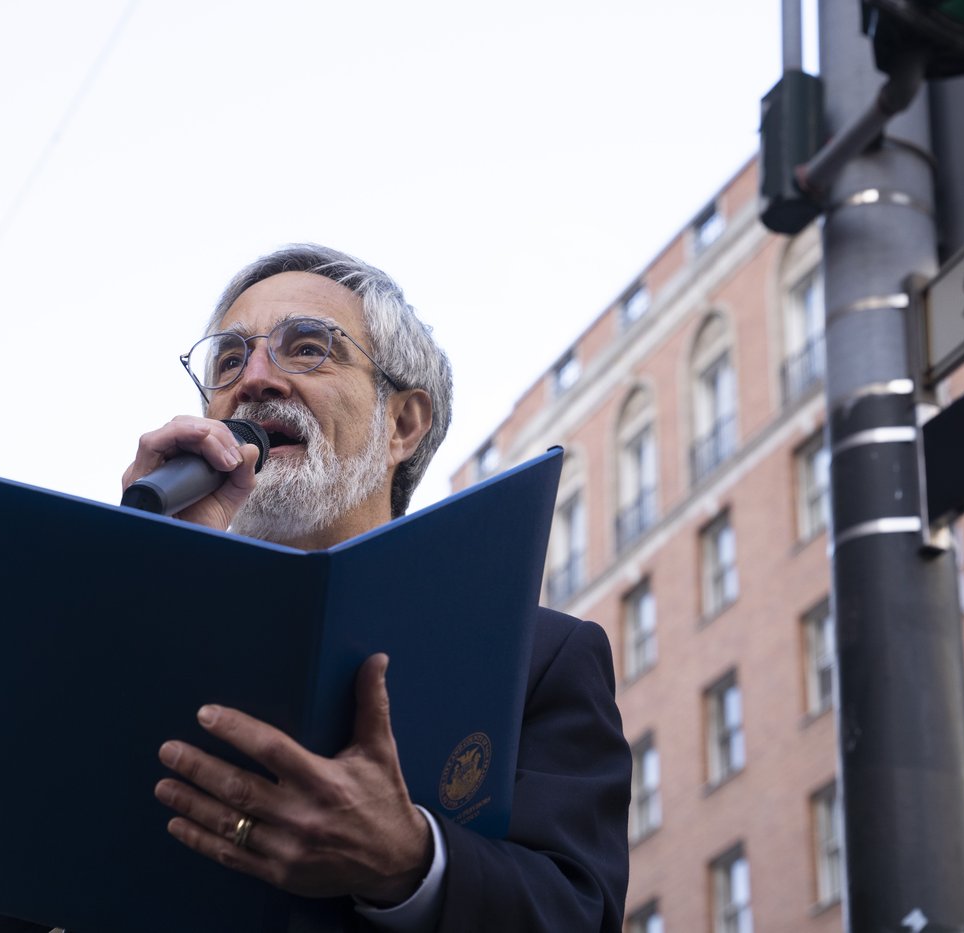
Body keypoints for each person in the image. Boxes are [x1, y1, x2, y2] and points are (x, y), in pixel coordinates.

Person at [124, 244, 631, 932]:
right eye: (230, 360)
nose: (257, 379)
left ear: (402, 423)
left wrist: (410, 861)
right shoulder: (141, 613)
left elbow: (580, 914)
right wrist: (138, 572)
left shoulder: (538, 659)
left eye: (306, 348)